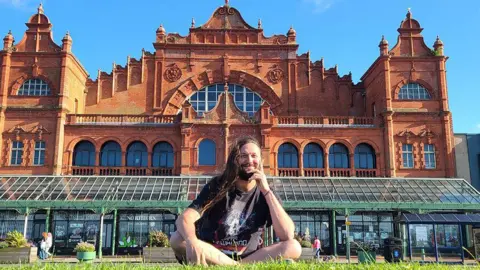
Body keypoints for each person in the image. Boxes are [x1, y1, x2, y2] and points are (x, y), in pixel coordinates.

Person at [170, 136, 301, 265]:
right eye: (243, 156)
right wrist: (192, 240)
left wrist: (266, 191)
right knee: (177, 238)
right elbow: (184, 218)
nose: (249, 160)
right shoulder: (218, 186)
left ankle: (234, 266)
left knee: (294, 246)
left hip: (249, 256)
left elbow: (287, 234)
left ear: (261, 160)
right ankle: (237, 267)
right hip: (214, 253)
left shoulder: (267, 194)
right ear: (235, 160)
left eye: (254, 156)